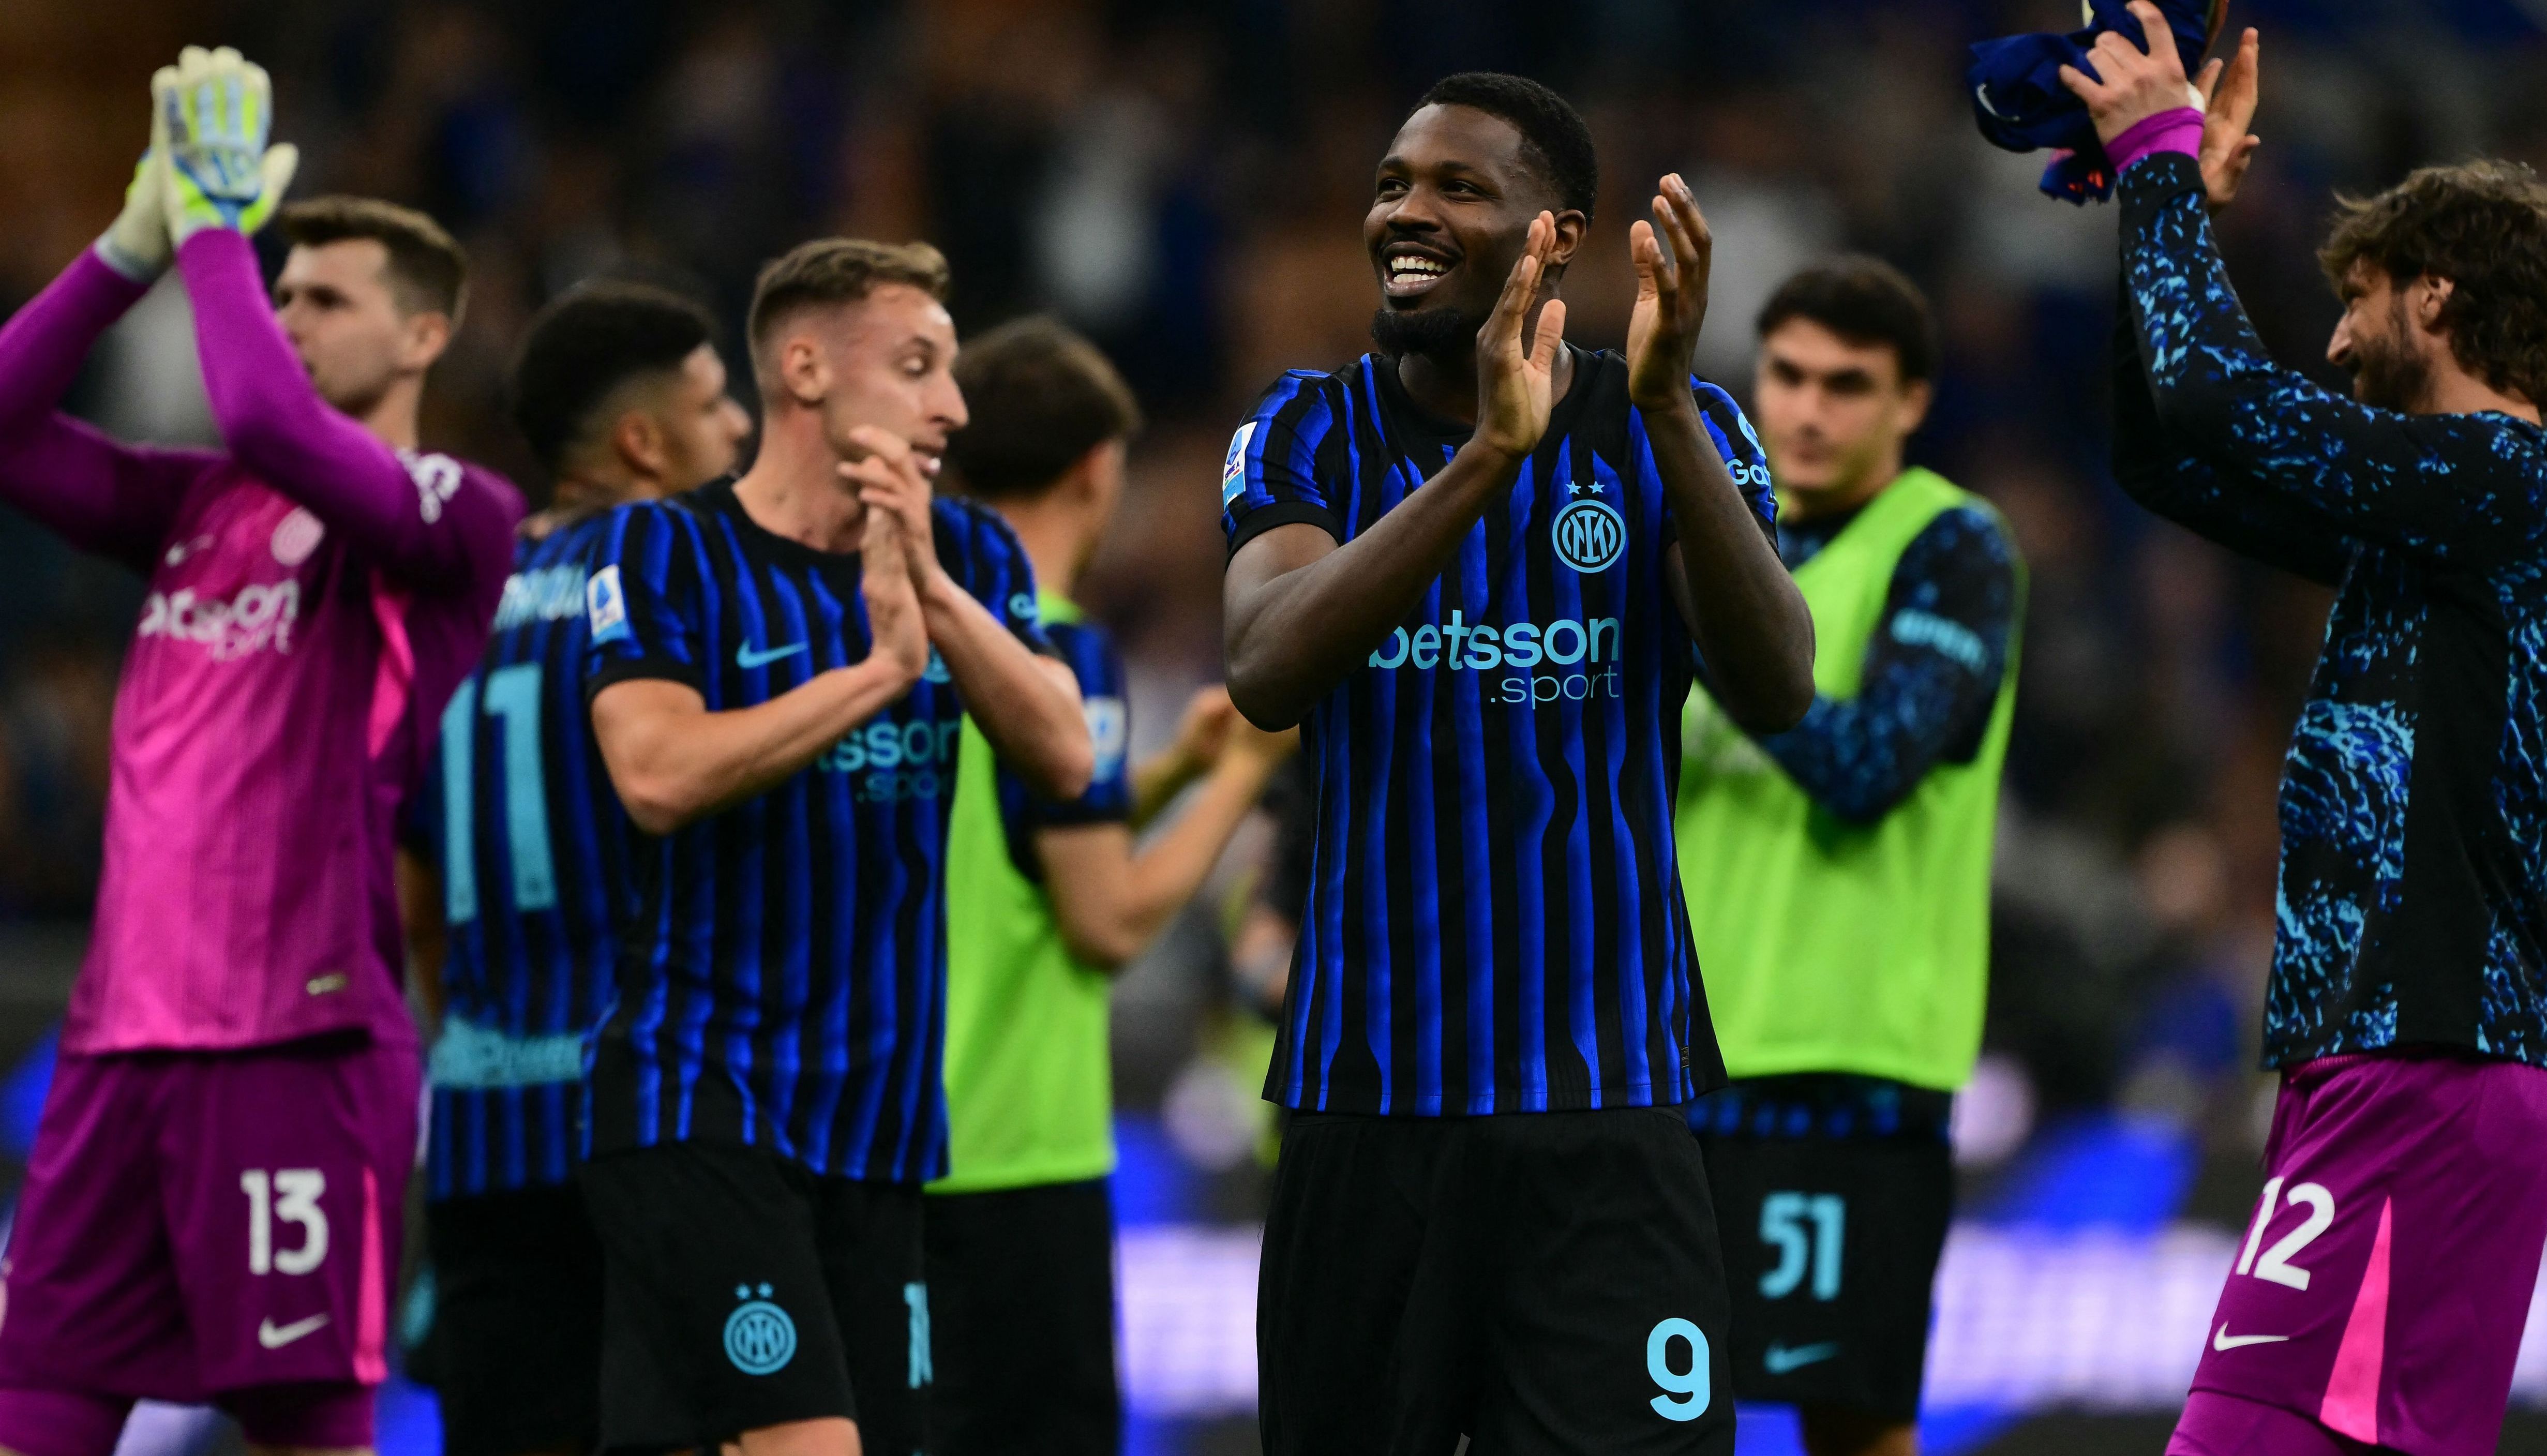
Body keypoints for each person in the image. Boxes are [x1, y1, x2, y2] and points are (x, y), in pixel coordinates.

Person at [1221, 70, 1816, 1454]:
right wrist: (1489, 458)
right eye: (1391, 184)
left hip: (1607, 1114)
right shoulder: (1308, 428)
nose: (1405, 213)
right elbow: (1264, 665)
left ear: (1557, 236)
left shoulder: (1678, 426)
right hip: (1366, 1109)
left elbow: (1778, 685)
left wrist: (1667, 412)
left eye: (1457, 187)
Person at [2067, 11, 2547, 1454]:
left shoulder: (2513, 485)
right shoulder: (2437, 522)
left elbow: (2219, 396)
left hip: (2424, 1067)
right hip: (2400, 1068)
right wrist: (2153, 207)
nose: (2339, 339)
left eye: (2357, 299)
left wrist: (2160, 167)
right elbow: (2165, 455)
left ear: (2435, 295)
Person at [0, 48, 518, 1456]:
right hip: (115, 1053)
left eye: (327, 300)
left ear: (424, 337)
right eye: (277, 293)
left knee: (304, 1436)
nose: (286, 316)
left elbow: (263, 418)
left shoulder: (454, 513)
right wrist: (128, 249)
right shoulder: (193, 508)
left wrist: (218, 233)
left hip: (300, 1045)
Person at [578, 239, 1094, 1456]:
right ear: (805, 370)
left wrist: (931, 592)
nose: (951, 406)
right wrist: (876, 677)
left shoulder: (972, 553)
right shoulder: (665, 550)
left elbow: (1069, 755)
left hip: (881, 1124)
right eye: (916, 367)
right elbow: (656, 774)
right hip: (704, 1098)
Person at [922, 317, 1297, 1455]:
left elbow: (1022, 835)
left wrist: (1168, 773)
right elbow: (1104, 918)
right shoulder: (1060, 650)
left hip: (899, 1138)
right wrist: (1239, 778)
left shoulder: (921, 637)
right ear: (1097, 470)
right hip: (1017, 1147)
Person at [1673, 259, 2022, 1456]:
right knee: (1641, 1411)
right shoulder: (1712, 545)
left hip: (1852, 1064)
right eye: (1787, 376)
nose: (1809, 410)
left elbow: (1870, 763)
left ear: (1910, 400)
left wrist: (1705, 614)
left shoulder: (1953, 547)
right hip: (1674, 1054)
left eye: (1848, 384)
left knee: (1853, 1424)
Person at [397, 282, 750, 1456]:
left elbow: (415, 902)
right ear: (643, 442)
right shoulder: (676, 572)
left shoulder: (453, 593)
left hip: (481, 1130)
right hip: (645, 1126)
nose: (739, 427)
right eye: (714, 402)